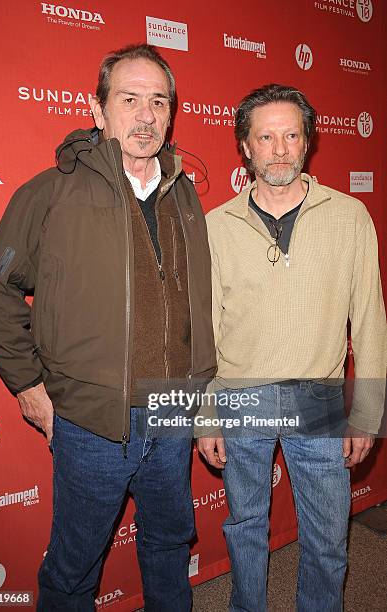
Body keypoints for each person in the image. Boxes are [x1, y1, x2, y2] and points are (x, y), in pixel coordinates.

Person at [0, 44, 216, 611]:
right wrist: (29, 387)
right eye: (129, 99)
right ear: (99, 109)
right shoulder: (52, 192)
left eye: (159, 101)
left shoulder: (184, 194)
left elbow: (197, 309)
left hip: (172, 413)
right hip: (90, 425)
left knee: (167, 546)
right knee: (73, 567)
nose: (146, 114)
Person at [196, 84, 386, 611]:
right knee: (245, 528)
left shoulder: (350, 217)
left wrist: (367, 414)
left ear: (307, 143)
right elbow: (205, 331)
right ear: (246, 147)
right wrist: (206, 414)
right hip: (239, 398)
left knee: (328, 541)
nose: (279, 149)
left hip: (319, 401)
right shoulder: (216, 226)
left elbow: (370, 319)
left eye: (291, 136)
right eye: (265, 137)